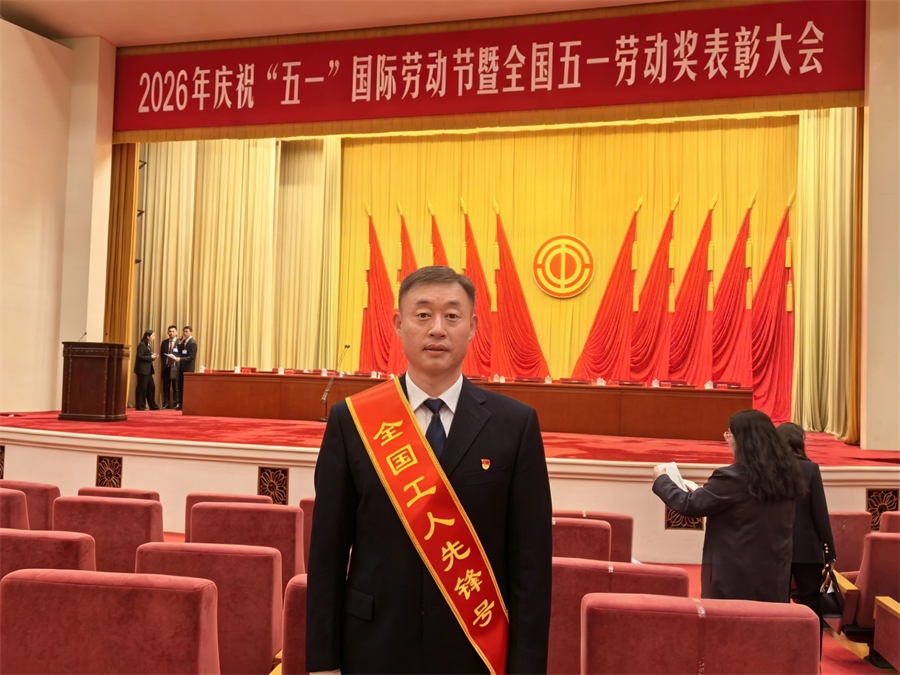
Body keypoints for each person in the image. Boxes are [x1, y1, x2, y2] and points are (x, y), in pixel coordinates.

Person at [307, 266, 553, 674]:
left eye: (452, 316)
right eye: (423, 315)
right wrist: (323, 663)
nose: (437, 329)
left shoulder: (515, 425)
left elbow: (532, 564)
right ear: (398, 324)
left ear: (472, 327)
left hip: (475, 652)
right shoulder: (352, 422)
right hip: (374, 648)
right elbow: (327, 553)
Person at [652, 409, 806, 602]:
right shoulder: (787, 475)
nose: (727, 440)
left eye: (729, 434)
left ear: (743, 440)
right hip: (773, 576)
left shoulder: (731, 478)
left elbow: (689, 505)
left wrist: (662, 479)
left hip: (735, 579)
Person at [778, 422, 836, 623]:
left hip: (776, 548)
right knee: (811, 605)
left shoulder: (769, 470)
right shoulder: (810, 469)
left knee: (776, 604)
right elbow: (820, 513)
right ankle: (812, 643)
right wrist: (830, 553)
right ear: (800, 442)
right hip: (808, 550)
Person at [134, 329, 159, 411]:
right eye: (153, 336)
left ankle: (153, 405)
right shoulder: (141, 345)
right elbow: (139, 356)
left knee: (151, 387)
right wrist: (150, 357)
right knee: (142, 388)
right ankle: (140, 406)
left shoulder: (148, 345)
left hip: (148, 370)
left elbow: (147, 356)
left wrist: (153, 357)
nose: (154, 337)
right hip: (142, 370)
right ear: (148, 336)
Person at [174, 325, 197, 410]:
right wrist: (179, 343)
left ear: (191, 333)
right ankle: (180, 403)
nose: (185, 333)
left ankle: (187, 404)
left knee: (187, 387)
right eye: (184, 331)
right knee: (180, 385)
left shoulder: (192, 343)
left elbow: (191, 357)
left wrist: (180, 359)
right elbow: (180, 352)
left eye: (186, 332)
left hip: (188, 368)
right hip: (181, 367)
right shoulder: (184, 341)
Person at [159, 325, 180, 409]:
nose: (171, 333)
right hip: (166, 367)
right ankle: (166, 403)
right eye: (169, 331)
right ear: (167, 332)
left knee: (176, 386)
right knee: (166, 386)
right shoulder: (164, 342)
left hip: (175, 367)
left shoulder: (180, 342)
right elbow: (162, 355)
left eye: (173, 331)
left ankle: (176, 403)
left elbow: (181, 355)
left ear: (176, 332)